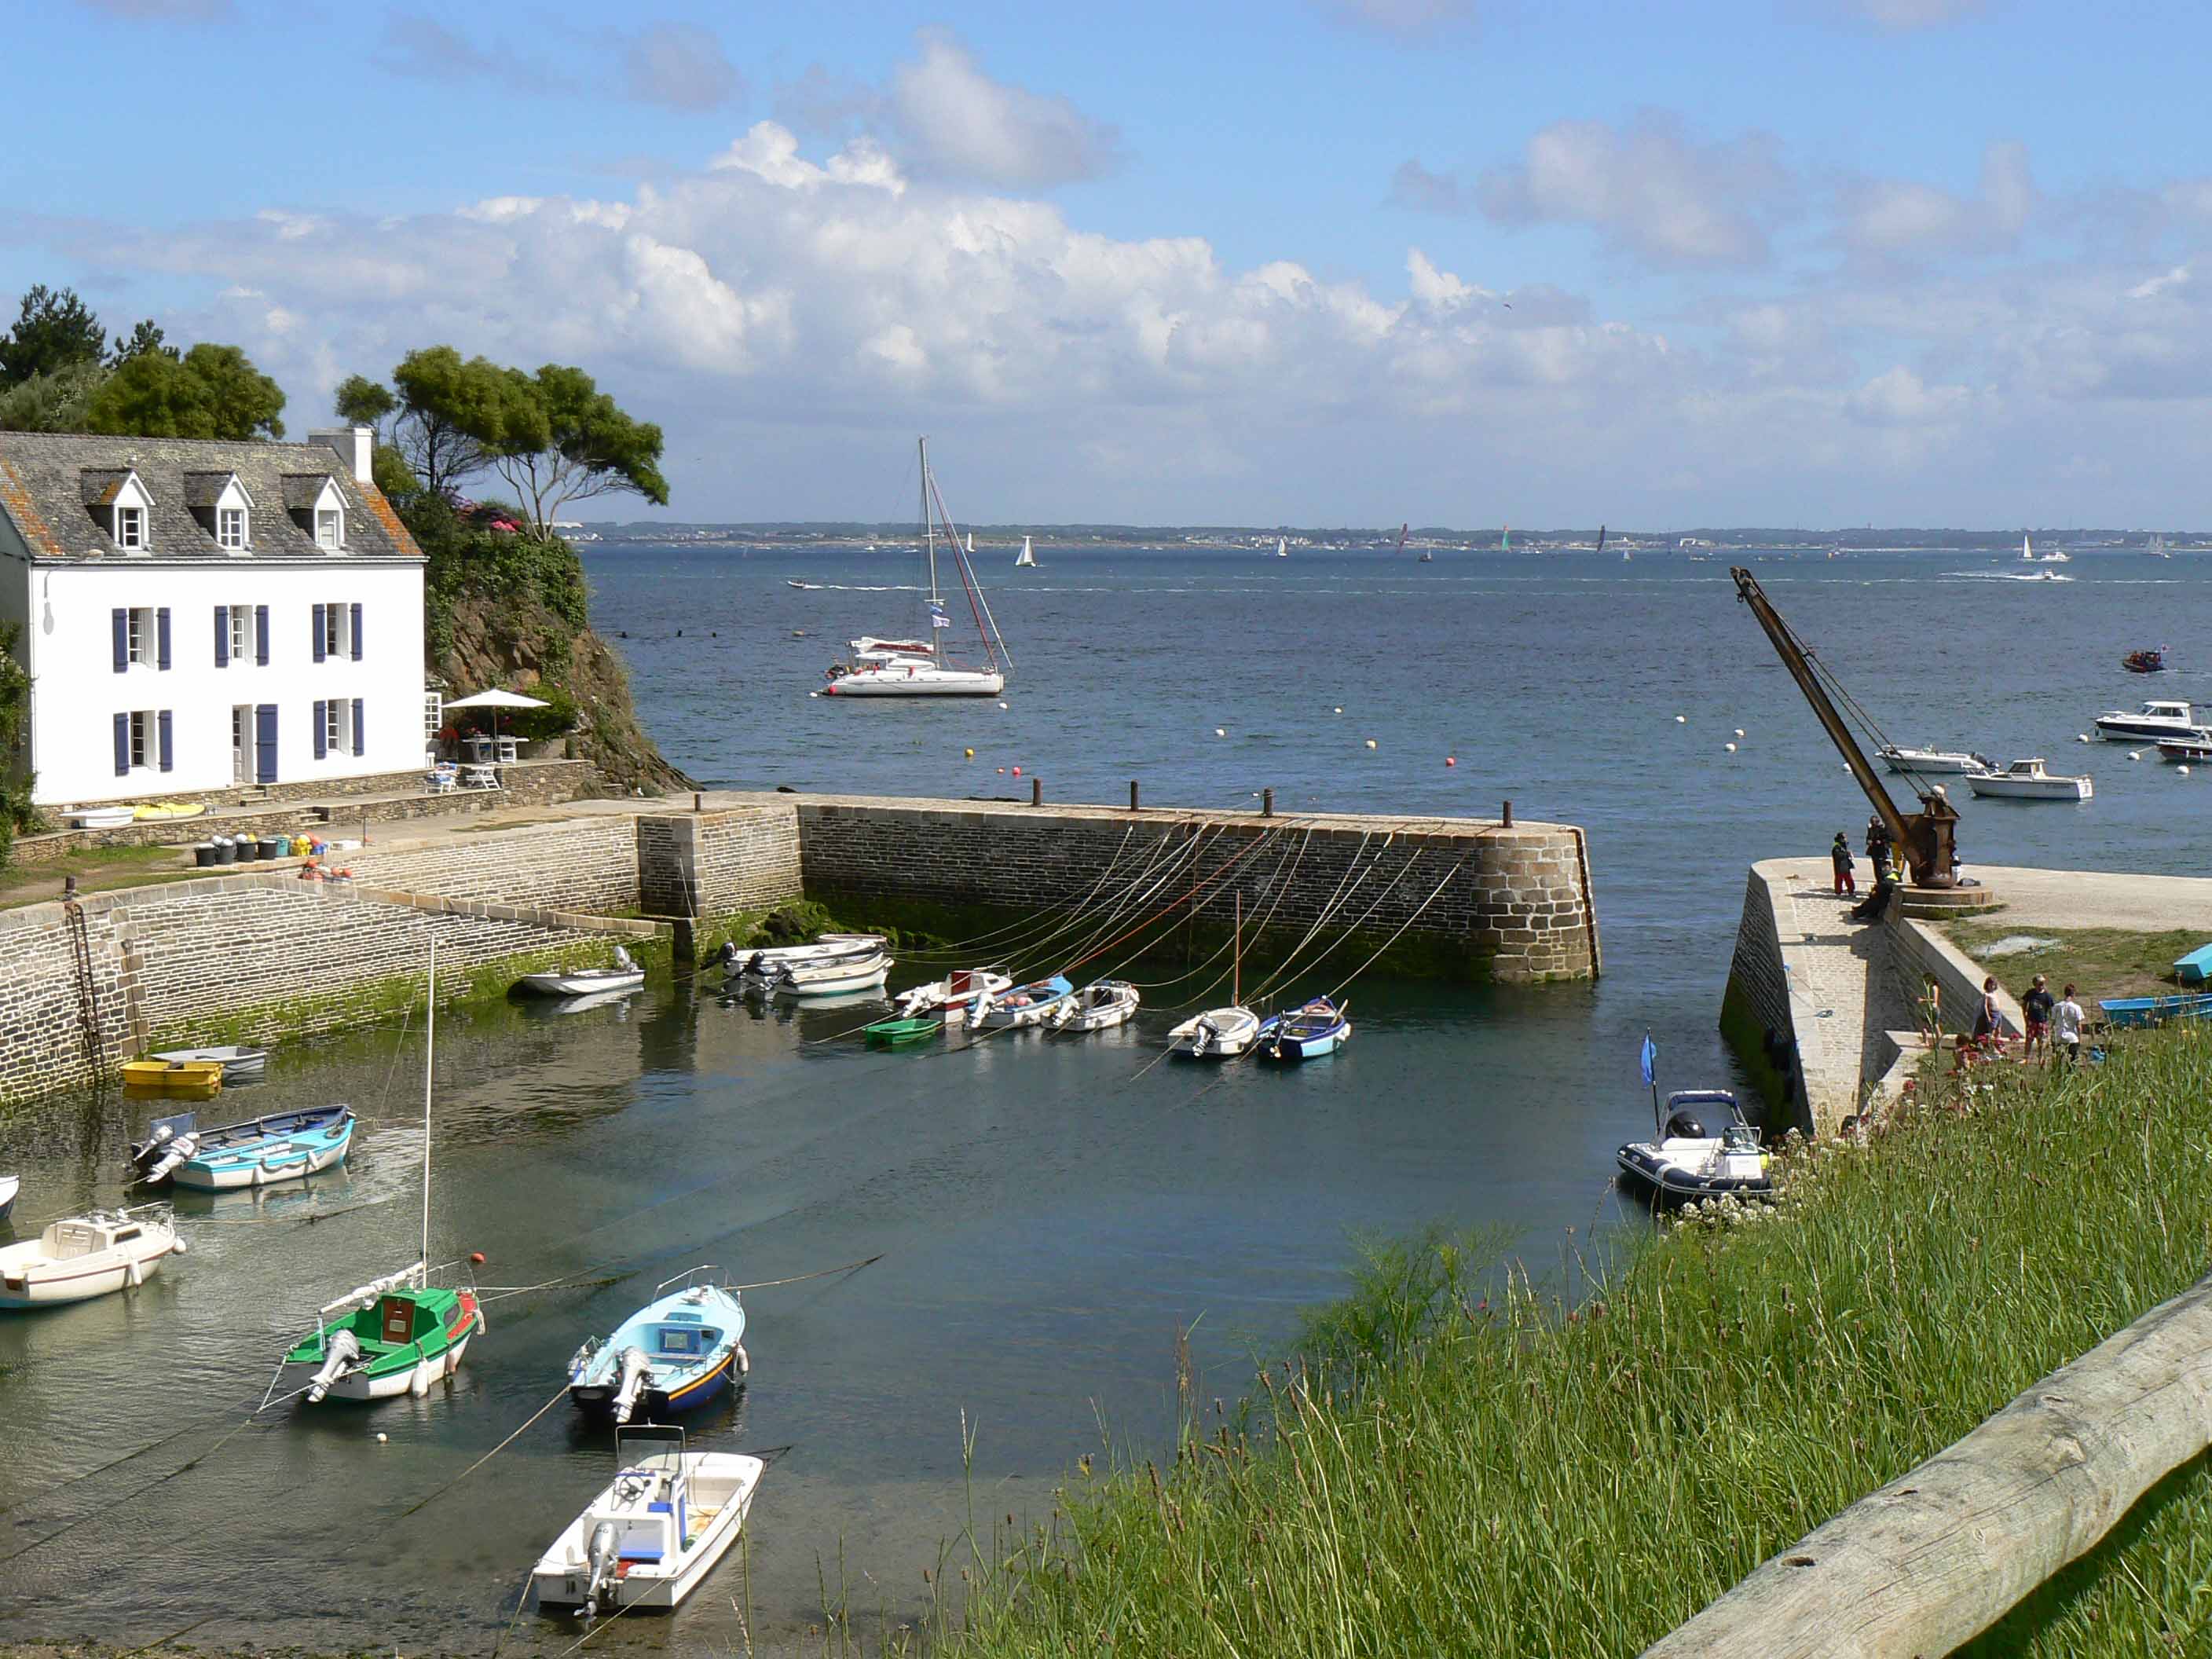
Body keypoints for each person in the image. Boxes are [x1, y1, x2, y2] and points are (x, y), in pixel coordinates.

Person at [2021, 973, 2055, 1062]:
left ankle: (2041, 1058)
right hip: (2031, 1021)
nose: (2042, 985)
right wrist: (2025, 1016)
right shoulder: (2030, 993)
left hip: (2042, 1021)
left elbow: (2051, 1008)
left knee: (2041, 1041)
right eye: (2040, 984)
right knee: (2029, 1039)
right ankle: (2026, 1057)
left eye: (2043, 983)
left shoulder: (2047, 996)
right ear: (2035, 984)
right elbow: (2024, 1004)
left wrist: (2050, 1021)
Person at [2053, 983, 2086, 1064]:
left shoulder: (2057, 1007)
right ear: (2073, 994)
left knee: (2058, 1062)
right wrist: (2080, 1039)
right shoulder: (2076, 1008)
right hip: (2072, 1037)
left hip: (2059, 1037)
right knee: (2073, 1063)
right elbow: (2078, 1025)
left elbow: (2053, 1023)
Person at [1973, 974, 2002, 1053]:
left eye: (1993, 985)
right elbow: (1985, 1006)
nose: (1992, 986)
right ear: (1987, 985)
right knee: (1991, 1030)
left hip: (1998, 1013)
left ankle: (1998, 1044)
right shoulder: (1986, 995)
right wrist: (1988, 1016)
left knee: (1998, 1030)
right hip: (1992, 1013)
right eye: (1990, 985)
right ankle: (1990, 1045)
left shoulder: (1995, 994)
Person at [1831, 830, 1856, 896]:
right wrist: (1846, 853)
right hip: (1839, 866)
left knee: (1849, 879)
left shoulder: (1843, 845)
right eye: (1844, 838)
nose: (1845, 839)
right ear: (1840, 839)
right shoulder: (1836, 847)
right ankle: (1838, 892)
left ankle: (1851, 891)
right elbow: (1838, 856)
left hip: (1845, 865)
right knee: (1839, 880)